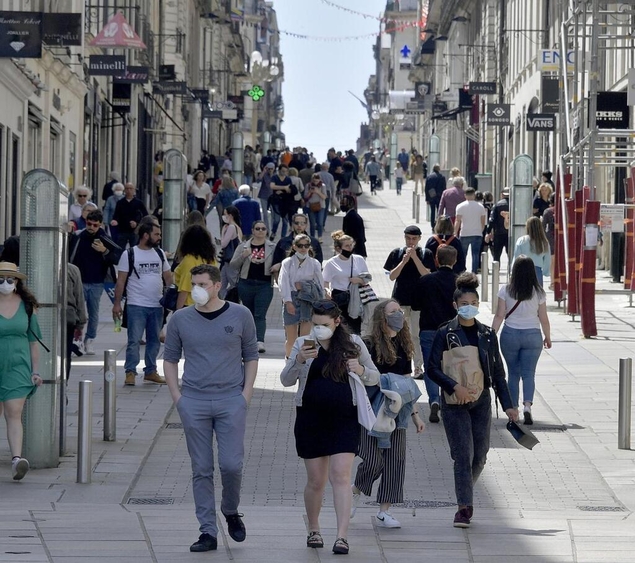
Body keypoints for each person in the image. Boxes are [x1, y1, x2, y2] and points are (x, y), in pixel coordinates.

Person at [164, 264, 258, 553]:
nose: (197, 290)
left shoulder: (240, 315)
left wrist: (246, 394)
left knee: (231, 464)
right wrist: (178, 397)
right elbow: (169, 359)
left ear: (218, 285)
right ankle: (207, 530)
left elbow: (251, 355)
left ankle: (230, 510)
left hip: (231, 399)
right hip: (193, 400)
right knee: (201, 468)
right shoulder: (180, 319)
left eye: (203, 284)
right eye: (194, 284)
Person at [280, 299, 380, 555]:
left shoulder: (353, 344)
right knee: (316, 481)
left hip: (344, 419)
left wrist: (360, 369)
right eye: (315, 324)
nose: (319, 329)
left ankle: (342, 536)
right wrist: (299, 360)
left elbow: (374, 376)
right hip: (311, 419)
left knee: (341, 476)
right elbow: (286, 380)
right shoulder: (305, 343)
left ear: (337, 322)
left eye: (324, 324)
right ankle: (314, 529)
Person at [427, 273, 518, 528]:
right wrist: (455, 386)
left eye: (475, 303)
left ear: (479, 304)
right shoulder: (445, 332)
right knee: (463, 455)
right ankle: (464, 507)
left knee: (480, 456)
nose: (470, 307)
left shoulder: (487, 334)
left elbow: (498, 373)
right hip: (454, 403)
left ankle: (464, 487)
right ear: (455, 305)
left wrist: (509, 405)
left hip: (481, 402)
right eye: (465, 303)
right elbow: (432, 368)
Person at [351, 300, 425, 528]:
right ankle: (355, 490)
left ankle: (384, 510)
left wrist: (415, 415)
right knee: (373, 460)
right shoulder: (368, 344)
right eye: (394, 312)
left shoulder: (404, 345)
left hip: (398, 411)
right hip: (372, 409)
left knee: (395, 461)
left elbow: (407, 383)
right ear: (382, 317)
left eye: (400, 311)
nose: (399, 315)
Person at [492, 256, 552, 425]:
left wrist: (491, 334)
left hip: (510, 334)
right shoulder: (539, 292)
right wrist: (547, 336)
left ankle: (513, 409)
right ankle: (527, 406)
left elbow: (499, 315)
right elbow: (544, 318)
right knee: (529, 373)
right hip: (532, 335)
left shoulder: (506, 290)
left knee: (513, 373)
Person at [112, 221, 172, 386]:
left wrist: (170, 293)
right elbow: (121, 281)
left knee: (154, 340)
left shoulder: (159, 253)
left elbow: (168, 276)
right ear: (146, 235)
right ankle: (130, 371)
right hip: (136, 304)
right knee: (134, 340)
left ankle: (150, 371)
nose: (159, 237)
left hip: (157, 305)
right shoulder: (130, 254)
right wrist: (117, 304)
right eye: (156, 234)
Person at [0, 262, 44, 480]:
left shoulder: (26, 306)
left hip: (18, 365)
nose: (6, 283)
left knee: (13, 412)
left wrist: (35, 371)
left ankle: (16, 459)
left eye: (10, 279)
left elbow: (33, 343)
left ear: (17, 282)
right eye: (1, 279)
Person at [412, 246, 458, 422]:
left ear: (437, 259)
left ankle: (433, 401)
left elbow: (415, 304)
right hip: (452, 330)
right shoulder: (458, 281)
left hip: (429, 329)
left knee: (431, 367)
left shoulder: (426, 280)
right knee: (450, 367)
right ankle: (447, 400)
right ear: (454, 260)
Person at [384, 225, 434, 378]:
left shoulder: (426, 253)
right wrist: (404, 261)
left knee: (416, 335)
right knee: (399, 333)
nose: (410, 241)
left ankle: (418, 367)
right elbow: (392, 276)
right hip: (401, 300)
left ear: (419, 238)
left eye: (414, 238)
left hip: (419, 302)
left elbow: (426, 275)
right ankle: (400, 365)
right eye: (408, 238)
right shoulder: (396, 253)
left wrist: (415, 258)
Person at [69, 209, 122, 355]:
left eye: (95, 225)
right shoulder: (79, 236)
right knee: (78, 313)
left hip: (97, 282)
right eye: (89, 224)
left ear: (100, 225)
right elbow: (68, 252)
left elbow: (119, 256)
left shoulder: (103, 237)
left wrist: (104, 250)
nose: (91, 227)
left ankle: (90, 339)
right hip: (79, 281)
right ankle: (77, 339)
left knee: (93, 313)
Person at [230, 220, 276, 353]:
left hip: (265, 284)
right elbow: (233, 265)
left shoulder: (272, 247)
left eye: (263, 229)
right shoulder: (243, 247)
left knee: (260, 314)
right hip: (246, 284)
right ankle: (249, 340)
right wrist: (243, 256)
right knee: (248, 313)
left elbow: (280, 262)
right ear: (252, 231)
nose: (260, 231)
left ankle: (259, 341)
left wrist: (276, 267)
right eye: (257, 228)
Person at [278, 234, 324, 358]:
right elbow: (283, 282)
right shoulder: (287, 262)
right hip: (292, 297)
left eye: (306, 245)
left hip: (308, 300)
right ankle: (289, 361)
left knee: (306, 337)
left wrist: (304, 286)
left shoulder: (314, 263)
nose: (303, 248)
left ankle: (306, 365)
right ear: (294, 246)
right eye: (300, 246)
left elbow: (320, 284)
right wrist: (287, 302)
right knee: (291, 337)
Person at [323, 233, 370, 335]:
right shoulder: (331, 263)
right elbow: (325, 281)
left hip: (355, 296)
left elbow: (367, 278)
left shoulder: (359, 259)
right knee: (340, 327)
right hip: (339, 297)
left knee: (355, 328)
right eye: (347, 246)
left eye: (351, 245)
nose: (350, 248)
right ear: (339, 248)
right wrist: (327, 291)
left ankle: (355, 348)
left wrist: (358, 280)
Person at [174, 225, 218, 309]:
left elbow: (184, 289)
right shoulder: (211, 260)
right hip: (208, 303)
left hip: (190, 304)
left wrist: (178, 311)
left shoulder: (188, 260)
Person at [271, 214, 324, 281]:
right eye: (296, 223)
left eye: (302, 223)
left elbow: (319, 264)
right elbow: (275, 265)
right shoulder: (283, 242)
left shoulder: (314, 242)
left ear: (306, 225)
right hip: (287, 281)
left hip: (308, 282)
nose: (299, 225)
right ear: (292, 224)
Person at [454, 187, 487, 273]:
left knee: (463, 254)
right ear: (474, 195)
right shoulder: (480, 207)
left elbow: (457, 221)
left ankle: (462, 270)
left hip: (464, 233)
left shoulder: (460, 206)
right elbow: (483, 222)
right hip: (477, 233)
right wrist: (481, 230)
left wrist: (455, 233)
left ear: (465, 195)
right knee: (475, 254)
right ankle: (474, 271)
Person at [514, 217, 551, 287]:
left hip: (523, 271)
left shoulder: (521, 240)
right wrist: (546, 272)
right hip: (537, 272)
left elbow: (516, 258)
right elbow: (547, 260)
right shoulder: (544, 242)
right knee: (537, 296)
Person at [65, 263, 87, 380]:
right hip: (67, 316)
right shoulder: (71, 269)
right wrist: (81, 322)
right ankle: (64, 384)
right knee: (65, 354)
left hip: (44, 317)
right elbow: (79, 296)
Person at [111, 183, 148, 250]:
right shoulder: (120, 203)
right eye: (127, 188)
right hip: (122, 230)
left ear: (134, 190)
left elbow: (145, 216)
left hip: (135, 231)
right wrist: (115, 221)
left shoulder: (139, 203)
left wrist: (137, 223)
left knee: (134, 249)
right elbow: (116, 215)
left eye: (131, 188)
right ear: (124, 190)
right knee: (120, 249)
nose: (129, 190)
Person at [219, 206, 243, 300]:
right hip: (229, 260)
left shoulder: (231, 227)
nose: (223, 217)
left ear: (230, 215)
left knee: (233, 283)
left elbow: (223, 244)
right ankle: (226, 301)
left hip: (230, 260)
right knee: (221, 283)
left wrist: (223, 232)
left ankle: (232, 301)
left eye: (225, 214)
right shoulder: (237, 227)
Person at [269, 164, 295, 241]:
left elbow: (290, 189)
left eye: (285, 171)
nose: (284, 172)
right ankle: (273, 231)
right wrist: (284, 187)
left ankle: (283, 238)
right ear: (279, 170)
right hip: (276, 201)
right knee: (276, 220)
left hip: (285, 202)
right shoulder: (274, 177)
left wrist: (282, 190)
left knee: (285, 220)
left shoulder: (288, 179)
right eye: (282, 171)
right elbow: (272, 186)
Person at [485, 187, 510, 262]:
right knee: (511, 254)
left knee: (496, 255)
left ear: (502, 194)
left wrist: (488, 232)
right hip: (511, 234)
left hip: (499, 233)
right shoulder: (514, 204)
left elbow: (492, 220)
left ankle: (496, 271)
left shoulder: (497, 205)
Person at [303, 173, 328, 240]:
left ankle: (320, 237)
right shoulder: (308, 185)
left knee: (320, 223)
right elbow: (305, 197)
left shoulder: (323, 186)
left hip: (321, 206)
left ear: (320, 180)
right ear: (312, 180)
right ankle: (312, 237)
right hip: (310, 206)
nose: (315, 183)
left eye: (317, 181)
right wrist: (310, 192)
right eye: (314, 181)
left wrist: (317, 192)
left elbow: (324, 197)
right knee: (312, 224)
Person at [425, 165, 446, 230]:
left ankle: (432, 225)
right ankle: (439, 224)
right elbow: (444, 188)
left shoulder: (429, 177)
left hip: (431, 196)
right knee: (440, 211)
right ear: (438, 169)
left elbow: (426, 188)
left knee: (432, 211)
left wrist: (427, 198)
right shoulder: (442, 177)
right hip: (439, 196)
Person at [542, 194, 556, 289]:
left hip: (551, 237)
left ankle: (553, 282)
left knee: (553, 260)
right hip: (564, 236)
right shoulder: (566, 209)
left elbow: (543, 226)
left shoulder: (548, 211)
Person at [258, 162, 275, 230]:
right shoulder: (264, 175)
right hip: (263, 195)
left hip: (273, 197)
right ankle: (267, 229)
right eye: (269, 169)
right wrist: (264, 171)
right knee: (265, 213)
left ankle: (273, 229)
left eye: (271, 169)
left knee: (273, 213)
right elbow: (258, 180)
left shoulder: (275, 176)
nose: (270, 170)